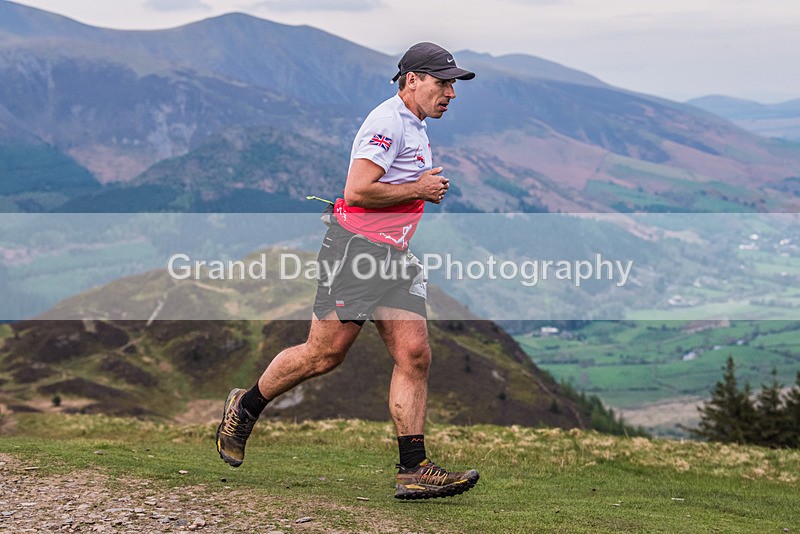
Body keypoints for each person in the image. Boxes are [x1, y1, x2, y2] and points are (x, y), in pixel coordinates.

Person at [216, 42, 478, 500]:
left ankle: (413, 469)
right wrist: (419, 187)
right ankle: (246, 406)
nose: (451, 93)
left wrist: (416, 190)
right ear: (412, 79)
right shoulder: (385, 122)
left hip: (394, 257)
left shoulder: (414, 123)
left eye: (453, 84)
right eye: (443, 83)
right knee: (324, 355)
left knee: (415, 354)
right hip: (355, 253)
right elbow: (357, 191)